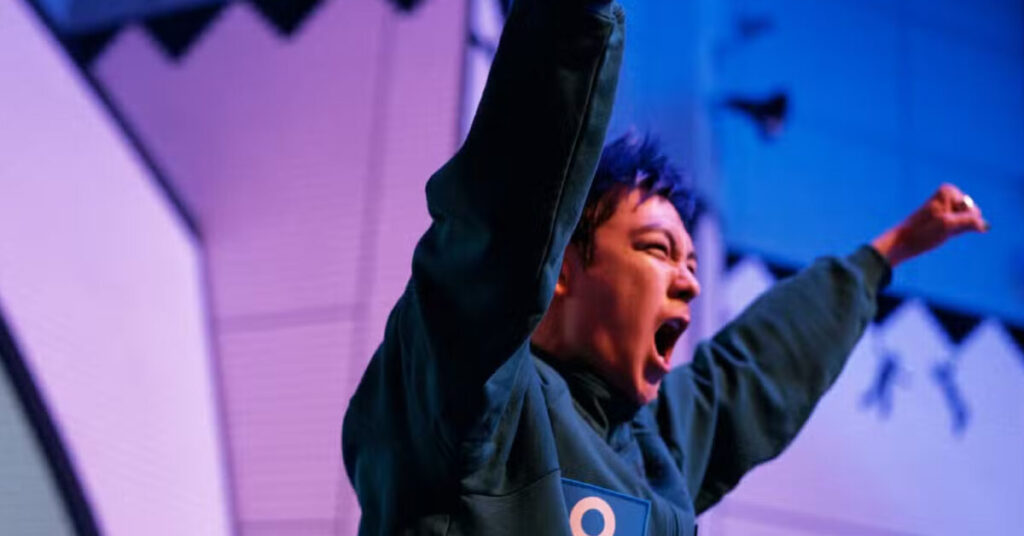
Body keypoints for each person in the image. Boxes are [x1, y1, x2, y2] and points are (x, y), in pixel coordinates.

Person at [341, 0, 988, 534]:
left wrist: (888, 253)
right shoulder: (471, 395)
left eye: (693, 261)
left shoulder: (654, 450)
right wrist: (575, 19)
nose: (692, 281)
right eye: (657, 249)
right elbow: (500, 226)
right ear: (560, 266)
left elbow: (752, 373)